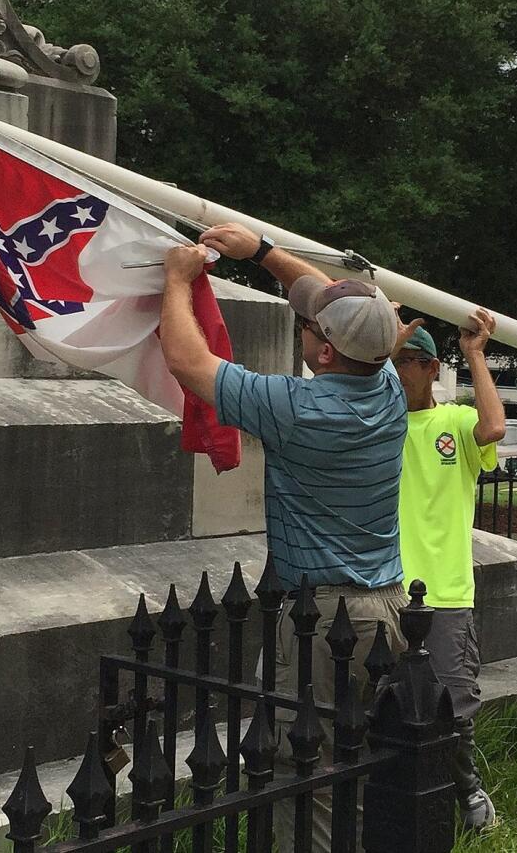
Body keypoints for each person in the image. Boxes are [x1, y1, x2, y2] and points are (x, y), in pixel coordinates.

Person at [161, 222, 415, 853]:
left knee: (309, 767)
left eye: (309, 326)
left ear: (325, 352)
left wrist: (175, 280)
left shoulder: (299, 410)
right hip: (383, 604)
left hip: (324, 613)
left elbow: (188, 362)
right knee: (351, 755)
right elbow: (339, 302)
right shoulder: (386, 389)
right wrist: (264, 253)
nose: (303, 324)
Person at [394, 310, 506, 831]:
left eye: (414, 361)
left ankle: (464, 792)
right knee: (381, 704)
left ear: (433, 367)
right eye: (395, 359)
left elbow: (494, 426)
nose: (402, 370)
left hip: (443, 592)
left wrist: (476, 354)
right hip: (383, 588)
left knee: (454, 712)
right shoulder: (377, 421)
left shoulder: (455, 422)